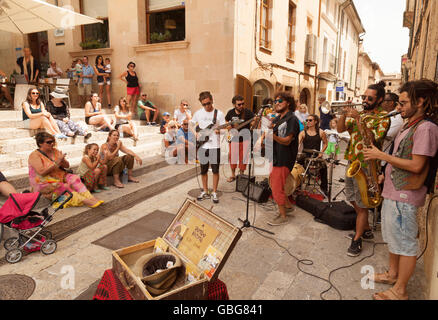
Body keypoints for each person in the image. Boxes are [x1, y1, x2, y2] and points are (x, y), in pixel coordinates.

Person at [363, 79, 438, 300]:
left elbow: (417, 165)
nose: (399, 107)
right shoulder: (410, 125)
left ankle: (400, 291)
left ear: (421, 101)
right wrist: (384, 171)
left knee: (405, 243)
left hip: (406, 195)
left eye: (404, 103)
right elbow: (401, 157)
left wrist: (381, 156)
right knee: (394, 238)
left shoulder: (426, 128)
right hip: (394, 190)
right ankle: (393, 274)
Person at [337, 81, 390, 257]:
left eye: (369, 98)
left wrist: (359, 119)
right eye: (364, 97)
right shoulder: (359, 113)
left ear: (379, 99)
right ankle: (365, 228)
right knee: (351, 197)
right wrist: (344, 114)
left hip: (368, 165)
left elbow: (371, 140)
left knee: (362, 204)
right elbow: (340, 129)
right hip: (353, 161)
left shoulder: (383, 117)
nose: (365, 100)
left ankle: (358, 239)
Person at [28, 132, 103, 208]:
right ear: (40, 144)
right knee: (64, 186)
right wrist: (57, 163)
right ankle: (86, 201)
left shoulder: (55, 151)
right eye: (49, 142)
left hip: (59, 176)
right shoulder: (35, 155)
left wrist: (62, 160)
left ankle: (91, 198)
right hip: (42, 181)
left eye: (53, 141)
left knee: (75, 178)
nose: (52, 144)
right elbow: (41, 172)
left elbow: (67, 165)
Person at [263, 92, 300, 226]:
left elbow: (287, 141)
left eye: (280, 101)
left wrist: (273, 136)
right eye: (275, 101)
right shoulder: (278, 119)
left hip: (284, 158)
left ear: (288, 103)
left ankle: (283, 216)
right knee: (275, 185)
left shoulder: (292, 119)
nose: (276, 103)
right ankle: (289, 207)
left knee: (277, 188)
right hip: (276, 157)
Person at [191, 91, 226, 204]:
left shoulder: (219, 114)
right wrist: (195, 133)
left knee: (215, 170)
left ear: (212, 100)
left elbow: (225, 129)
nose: (207, 106)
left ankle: (214, 191)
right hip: (203, 146)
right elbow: (191, 124)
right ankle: (205, 190)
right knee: (203, 170)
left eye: (208, 103)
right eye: (204, 104)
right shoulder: (198, 113)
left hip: (214, 146)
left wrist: (219, 130)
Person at [225, 95, 255, 182]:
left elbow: (253, 122)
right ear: (234, 104)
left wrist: (254, 122)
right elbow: (227, 121)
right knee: (233, 157)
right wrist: (230, 127)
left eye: (242, 104)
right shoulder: (230, 112)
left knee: (243, 158)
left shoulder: (248, 112)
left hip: (245, 139)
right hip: (234, 139)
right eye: (239, 104)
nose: (241, 106)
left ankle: (241, 175)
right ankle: (233, 175)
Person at [298, 114, 329, 196]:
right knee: (296, 167)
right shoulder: (303, 133)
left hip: (316, 156)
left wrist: (321, 152)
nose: (308, 122)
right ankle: (296, 186)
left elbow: (326, 144)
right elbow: (297, 144)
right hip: (305, 155)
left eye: (310, 120)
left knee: (324, 166)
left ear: (315, 122)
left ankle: (324, 188)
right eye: (307, 120)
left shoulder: (321, 132)